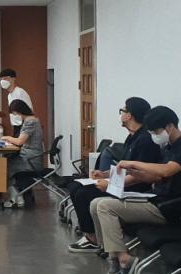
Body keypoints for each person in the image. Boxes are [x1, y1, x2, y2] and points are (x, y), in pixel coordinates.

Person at [91, 106, 181, 274]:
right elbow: (156, 177)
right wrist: (134, 172)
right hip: (155, 199)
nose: (154, 136)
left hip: (169, 208)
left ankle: (123, 258)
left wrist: (133, 164)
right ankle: (114, 254)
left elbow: (167, 170)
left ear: (170, 126)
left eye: (156, 132)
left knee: (105, 206)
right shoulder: (168, 147)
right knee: (95, 204)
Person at [68, 97, 161, 253]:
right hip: (123, 182)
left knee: (84, 194)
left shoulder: (146, 140)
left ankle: (93, 239)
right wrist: (104, 174)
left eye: (122, 111)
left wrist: (110, 184)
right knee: (75, 187)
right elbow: (124, 168)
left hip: (136, 188)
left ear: (129, 115)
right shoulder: (132, 137)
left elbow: (142, 175)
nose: (121, 114)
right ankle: (92, 235)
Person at [0, 99, 43, 208]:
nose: (15, 116)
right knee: (6, 163)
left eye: (15, 113)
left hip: (31, 159)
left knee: (4, 167)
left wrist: (7, 137)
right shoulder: (32, 120)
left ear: (19, 111)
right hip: (29, 156)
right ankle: (16, 195)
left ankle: (16, 199)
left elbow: (20, 141)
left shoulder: (30, 122)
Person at [0, 68, 33, 136]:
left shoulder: (20, 92)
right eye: (1, 79)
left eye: (5, 78)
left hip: (24, 126)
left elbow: (29, 110)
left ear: (13, 79)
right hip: (16, 126)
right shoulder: (9, 95)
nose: (3, 81)